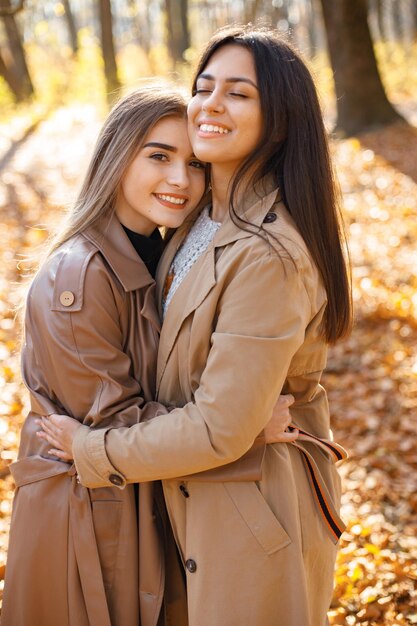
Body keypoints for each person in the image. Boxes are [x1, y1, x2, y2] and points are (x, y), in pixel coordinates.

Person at [38, 25, 352, 626]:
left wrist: (89, 447)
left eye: (238, 92)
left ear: (279, 118)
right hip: (187, 498)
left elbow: (219, 428)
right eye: (204, 85)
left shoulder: (268, 253)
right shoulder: (201, 218)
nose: (209, 104)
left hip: (253, 514)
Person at [2, 85, 294, 626]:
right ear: (116, 157)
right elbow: (114, 424)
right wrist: (245, 423)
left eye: (194, 163)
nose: (180, 180)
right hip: (88, 522)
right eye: (158, 156)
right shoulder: (80, 277)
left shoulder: (165, 255)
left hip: (133, 503)